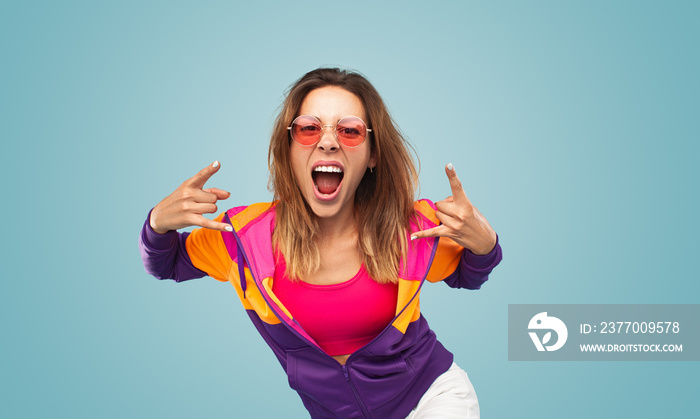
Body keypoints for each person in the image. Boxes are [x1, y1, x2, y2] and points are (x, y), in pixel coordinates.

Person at [139, 68, 502, 419]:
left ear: (372, 155)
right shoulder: (243, 240)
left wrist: (486, 244)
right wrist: (157, 223)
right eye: (309, 129)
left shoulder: (412, 227)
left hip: (431, 397)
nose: (328, 141)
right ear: (289, 150)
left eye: (349, 131)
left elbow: (467, 274)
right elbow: (167, 264)